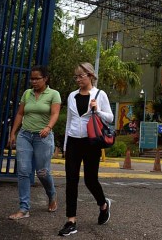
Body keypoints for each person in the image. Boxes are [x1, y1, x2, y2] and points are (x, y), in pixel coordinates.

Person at [58, 62, 114, 236]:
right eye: (76, 76)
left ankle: (103, 204)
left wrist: (97, 111)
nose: (78, 80)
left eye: (81, 76)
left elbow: (110, 118)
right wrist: (66, 145)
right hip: (74, 141)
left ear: (90, 75)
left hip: (91, 142)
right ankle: (71, 220)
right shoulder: (72, 96)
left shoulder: (99, 94)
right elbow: (69, 121)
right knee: (71, 180)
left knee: (90, 180)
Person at [8, 65, 61, 220]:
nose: (34, 81)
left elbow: (55, 113)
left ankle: (51, 195)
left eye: (37, 78)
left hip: (43, 137)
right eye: (32, 78)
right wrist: (13, 133)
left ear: (45, 79)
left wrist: (48, 127)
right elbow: (20, 113)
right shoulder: (27, 93)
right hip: (25, 135)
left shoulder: (54, 94)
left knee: (42, 172)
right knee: (23, 170)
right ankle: (24, 208)